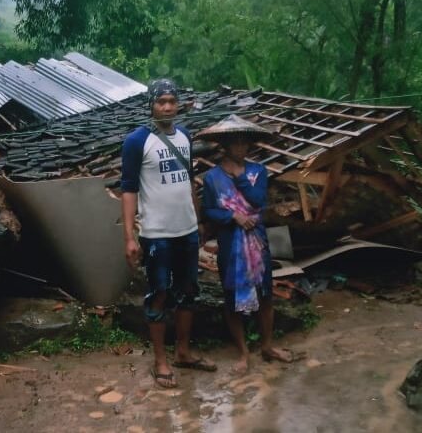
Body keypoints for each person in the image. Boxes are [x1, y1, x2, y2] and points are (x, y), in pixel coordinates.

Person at [120, 79, 217, 388]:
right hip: (157, 234)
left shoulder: (185, 137)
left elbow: (189, 181)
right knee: (160, 293)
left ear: (178, 105)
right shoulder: (137, 141)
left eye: (171, 101)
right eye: (161, 101)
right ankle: (160, 360)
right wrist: (129, 237)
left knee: (188, 292)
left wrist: (198, 220)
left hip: (187, 230)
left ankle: (184, 352)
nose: (166, 107)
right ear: (151, 105)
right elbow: (128, 190)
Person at [198, 114, 293, 374]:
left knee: (265, 295)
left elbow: (257, 201)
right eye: (235, 143)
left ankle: (267, 345)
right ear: (225, 146)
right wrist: (232, 216)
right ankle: (243, 353)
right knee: (231, 300)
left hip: (257, 243)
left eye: (244, 143)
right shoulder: (212, 178)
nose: (240, 148)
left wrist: (239, 177)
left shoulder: (257, 171)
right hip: (230, 244)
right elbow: (209, 211)